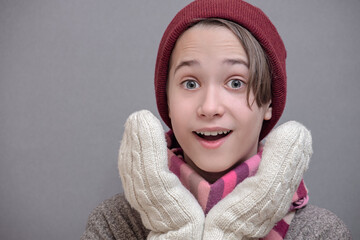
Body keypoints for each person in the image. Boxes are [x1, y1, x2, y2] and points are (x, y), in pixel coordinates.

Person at [81, 0, 351, 239]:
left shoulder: (320, 232)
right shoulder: (114, 225)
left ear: (268, 102)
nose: (209, 107)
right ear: (168, 102)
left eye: (235, 82)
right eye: (189, 83)